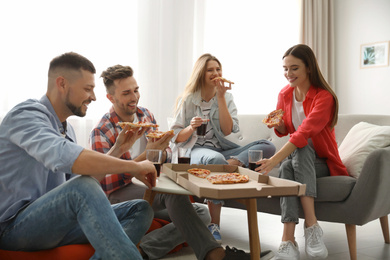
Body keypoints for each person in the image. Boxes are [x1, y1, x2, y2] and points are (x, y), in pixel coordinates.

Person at [89, 64, 274, 260]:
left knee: (201, 213)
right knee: (174, 197)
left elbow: (166, 154)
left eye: (136, 90)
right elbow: (106, 181)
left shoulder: (145, 115)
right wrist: (146, 156)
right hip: (119, 194)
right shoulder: (102, 130)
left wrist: (161, 152)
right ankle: (215, 254)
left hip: (149, 184)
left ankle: (143, 251)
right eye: (126, 93)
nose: (134, 97)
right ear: (111, 97)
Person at [0, 52, 157, 260]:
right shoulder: (26, 115)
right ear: (62, 84)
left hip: (57, 224)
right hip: (15, 228)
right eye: (87, 89)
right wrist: (132, 166)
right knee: (82, 189)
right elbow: (64, 159)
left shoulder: (68, 130)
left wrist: (118, 149)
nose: (93, 97)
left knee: (141, 209)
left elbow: (84, 183)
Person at [257, 44, 349, 260]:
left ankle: (306, 229)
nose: (288, 74)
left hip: (323, 162)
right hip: (299, 159)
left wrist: (273, 160)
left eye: (294, 68)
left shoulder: (324, 97)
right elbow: (287, 130)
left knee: (297, 152)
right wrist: (278, 125)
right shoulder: (285, 94)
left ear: (309, 68)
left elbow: (303, 133)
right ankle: (294, 238)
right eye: (285, 69)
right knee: (290, 164)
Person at [170, 53, 276, 242]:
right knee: (214, 160)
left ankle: (231, 164)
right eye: (210, 70)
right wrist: (191, 127)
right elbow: (176, 137)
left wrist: (220, 97)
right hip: (196, 150)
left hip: (222, 149)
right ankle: (214, 224)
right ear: (201, 73)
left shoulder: (227, 98)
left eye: (218, 69)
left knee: (266, 146)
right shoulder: (188, 99)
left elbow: (227, 131)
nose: (215, 73)